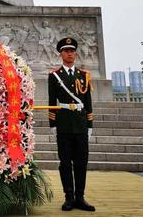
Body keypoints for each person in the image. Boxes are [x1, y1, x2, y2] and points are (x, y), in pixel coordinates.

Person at [48, 37, 95, 212]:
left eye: (72, 51)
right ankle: (69, 196)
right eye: (66, 51)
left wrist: (89, 125)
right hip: (64, 124)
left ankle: (80, 197)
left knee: (81, 162)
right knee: (66, 162)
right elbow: (52, 101)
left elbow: (88, 102)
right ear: (61, 54)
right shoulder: (54, 76)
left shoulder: (84, 75)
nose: (70, 54)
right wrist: (53, 124)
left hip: (81, 124)